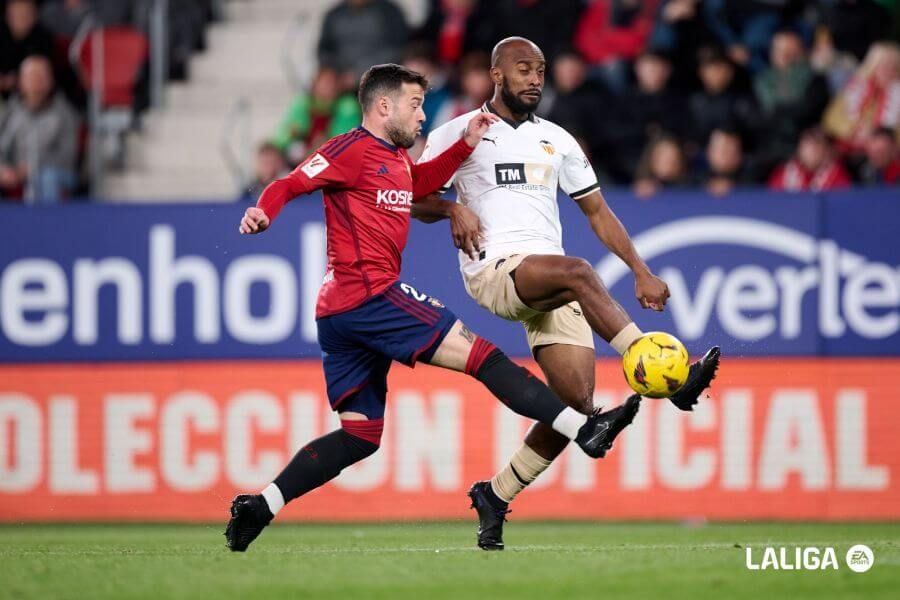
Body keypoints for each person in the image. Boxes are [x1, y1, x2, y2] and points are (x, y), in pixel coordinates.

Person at [225, 63, 643, 552]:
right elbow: (292, 182)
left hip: (340, 312)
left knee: (361, 435)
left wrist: (466, 141)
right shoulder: (349, 148)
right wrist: (262, 211)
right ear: (384, 107)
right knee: (483, 357)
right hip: (371, 295)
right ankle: (584, 428)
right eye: (415, 104)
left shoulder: (396, 160)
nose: (423, 115)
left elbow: (423, 180)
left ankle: (262, 505)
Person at [413, 38, 720, 551]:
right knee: (579, 271)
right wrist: (451, 210)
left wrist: (640, 270)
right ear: (495, 73)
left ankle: (495, 493)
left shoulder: (557, 140)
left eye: (541, 69)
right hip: (495, 270)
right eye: (523, 69)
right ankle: (666, 376)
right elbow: (410, 194)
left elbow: (597, 212)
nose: (534, 78)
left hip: (546, 277)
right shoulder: (459, 131)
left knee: (574, 406)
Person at [0, 55, 79, 202]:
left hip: (56, 172)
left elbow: (67, 156)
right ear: (21, 81)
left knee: (46, 178)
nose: (36, 82)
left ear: (51, 80)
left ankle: (50, 223)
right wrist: (3, 169)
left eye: (41, 76)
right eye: (31, 76)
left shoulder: (64, 114)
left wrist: (31, 168)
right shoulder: (11, 113)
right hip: (15, 170)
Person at [768, 127, 852, 191]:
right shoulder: (784, 173)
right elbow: (773, 202)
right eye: (806, 145)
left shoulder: (838, 174)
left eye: (816, 145)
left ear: (827, 150)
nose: (809, 151)